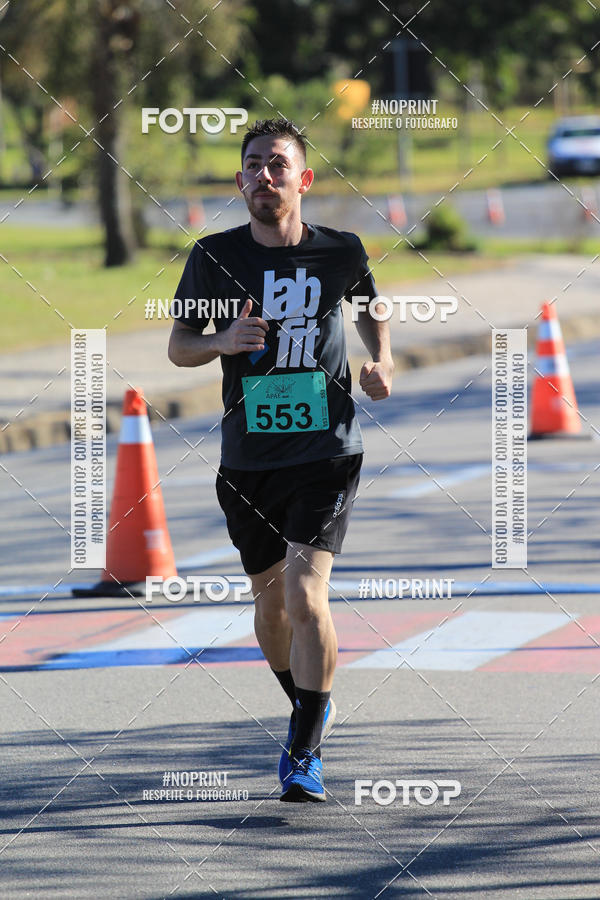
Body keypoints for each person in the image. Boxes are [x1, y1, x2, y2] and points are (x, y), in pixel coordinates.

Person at [168, 118, 393, 802]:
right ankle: (310, 701)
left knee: (304, 594)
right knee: (270, 611)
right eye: (255, 165)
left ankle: (303, 749)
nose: (267, 175)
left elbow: (370, 306)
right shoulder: (213, 257)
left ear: (304, 179)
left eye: (279, 164)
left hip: (326, 450)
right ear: (241, 181)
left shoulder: (341, 250)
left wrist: (381, 359)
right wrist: (224, 341)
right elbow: (180, 347)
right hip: (248, 460)